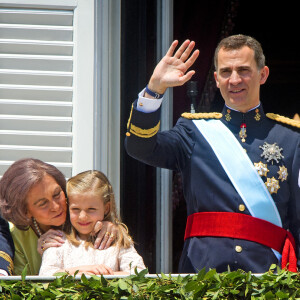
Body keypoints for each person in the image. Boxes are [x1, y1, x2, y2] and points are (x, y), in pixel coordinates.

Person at [125, 34, 300, 273]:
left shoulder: (291, 139)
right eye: (226, 72)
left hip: (268, 278)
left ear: (263, 74)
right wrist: (154, 89)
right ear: (216, 79)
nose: (235, 79)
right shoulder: (193, 132)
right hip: (202, 276)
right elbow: (140, 146)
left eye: (244, 70)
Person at [0, 158, 119, 275]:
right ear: (25, 211)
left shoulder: (81, 217)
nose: (56, 207)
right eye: (43, 203)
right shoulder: (15, 237)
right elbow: (22, 287)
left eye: (57, 194)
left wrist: (109, 221)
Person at [39, 170, 146, 276]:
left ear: (106, 208)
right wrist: (81, 271)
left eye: (91, 209)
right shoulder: (59, 240)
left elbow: (140, 273)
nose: (83, 217)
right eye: (76, 209)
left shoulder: (116, 239)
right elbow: (45, 274)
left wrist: (102, 277)